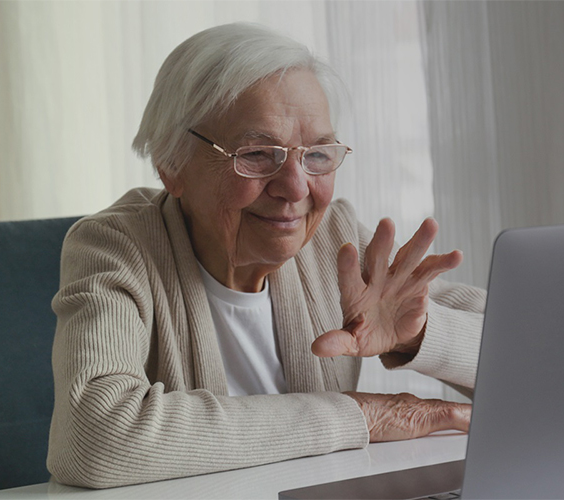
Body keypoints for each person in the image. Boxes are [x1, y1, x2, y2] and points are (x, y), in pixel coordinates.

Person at [47, 23, 484, 489]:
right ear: (171, 165)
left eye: (317, 154)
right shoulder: (115, 246)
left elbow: (541, 363)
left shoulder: (334, 239)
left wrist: (416, 336)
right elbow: (95, 438)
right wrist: (361, 416)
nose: (296, 188)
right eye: (256, 154)